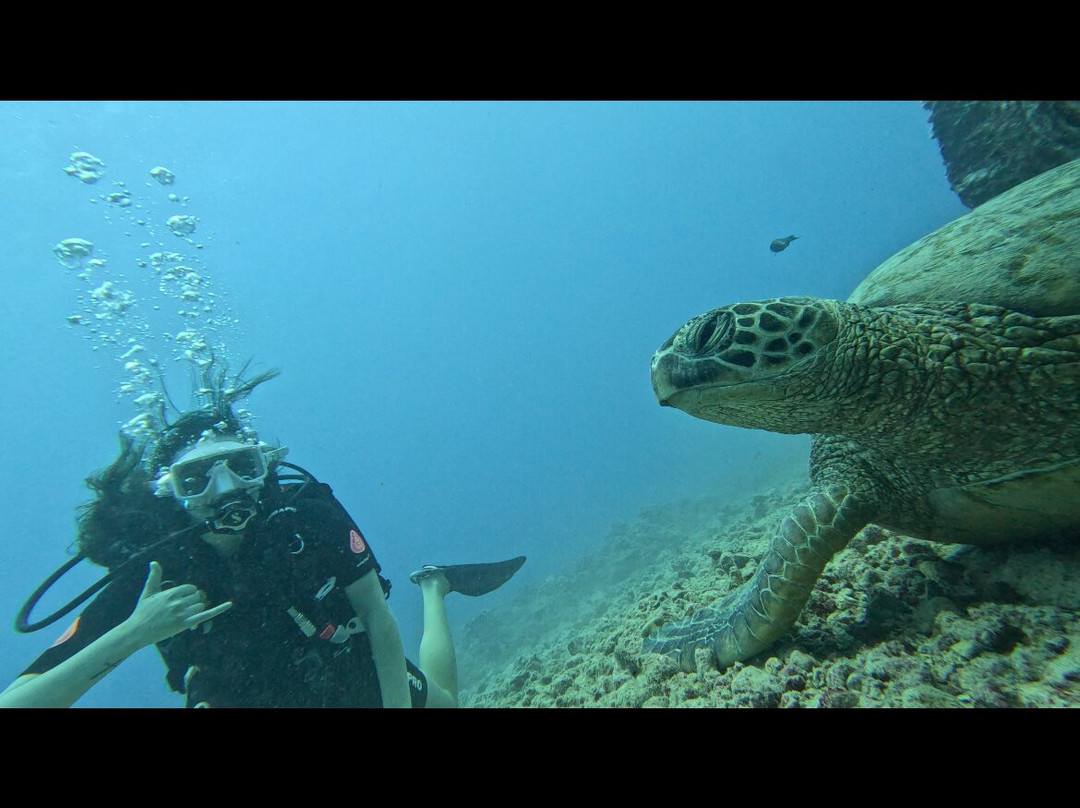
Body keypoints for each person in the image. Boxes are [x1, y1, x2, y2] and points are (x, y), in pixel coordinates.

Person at [0, 364, 524, 708]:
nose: (224, 491)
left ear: (262, 468)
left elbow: (377, 620)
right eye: (197, 478)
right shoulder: (153, 573)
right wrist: (136, 630)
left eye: (241, 467)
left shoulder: (307, 517)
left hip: (346, 669)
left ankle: (433, 585)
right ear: (171, 493)